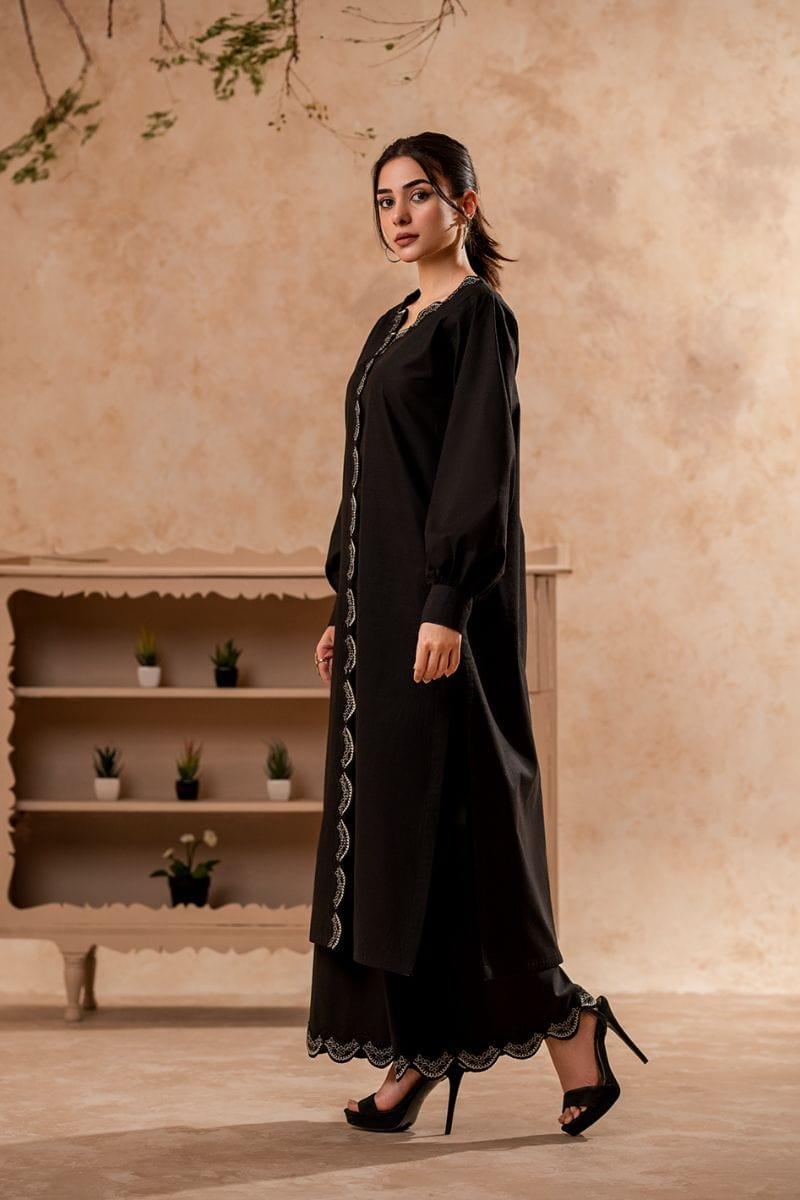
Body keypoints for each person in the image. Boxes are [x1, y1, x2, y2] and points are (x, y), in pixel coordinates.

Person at [306, 132, 648, 1136]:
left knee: (467, 829)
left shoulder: (477, 318)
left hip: (440, 616)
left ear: (463, 202)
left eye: (418, 195)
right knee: (392, 837)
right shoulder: (391, 326)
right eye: (384, 200)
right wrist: (347, 603)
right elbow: (370, 474)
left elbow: (475, 465)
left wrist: (446, 601)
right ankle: (416, 1050)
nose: (399, 215)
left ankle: (568, 1024)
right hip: (383, 615)